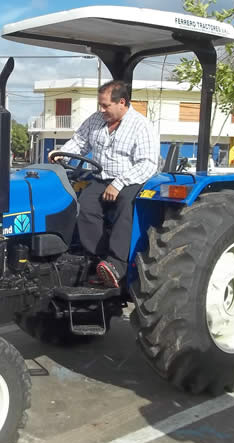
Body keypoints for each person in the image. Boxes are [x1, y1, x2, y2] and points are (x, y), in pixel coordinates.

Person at [49, 80, 159, 288]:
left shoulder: (142, 126)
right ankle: (97, 260)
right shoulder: (95, 121)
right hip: (101, 177)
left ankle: (118, 264)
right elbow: (79, 142)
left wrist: (119, 183)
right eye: (100, 105)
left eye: (105, 105)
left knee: (125, 206)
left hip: (131, 179)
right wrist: (60, 155)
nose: (101, 110)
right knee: (85, 206)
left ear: (122, 103)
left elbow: (147, 164)